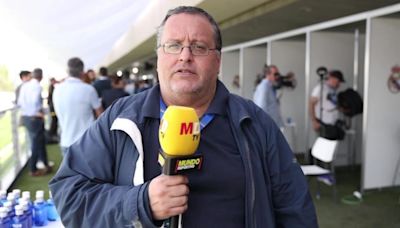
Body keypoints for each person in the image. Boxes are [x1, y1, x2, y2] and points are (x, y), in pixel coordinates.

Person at [49, 6, 317, 228]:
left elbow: (296, 211)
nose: (185, 56)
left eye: (199, 47)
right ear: (159, 58)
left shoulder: (256, 124)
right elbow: (69, 194)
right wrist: (140, 203)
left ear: (218, 61)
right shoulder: (121, 119)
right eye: (174, 46)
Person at [52, 57, 103, 156]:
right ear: (82, 72)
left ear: (68, 71)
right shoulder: (88, 89)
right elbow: (101, 115)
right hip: (87, 142)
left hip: (66, 141)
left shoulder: (57, 90)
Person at [17, 68, 52, 176]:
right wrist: (37, 113)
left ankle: (45, 165)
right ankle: (33, 169)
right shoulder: (37, 86)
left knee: (39, 142)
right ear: (41, 76)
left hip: (27, 117)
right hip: (34, 118)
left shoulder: (25, 85)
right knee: (36, 144)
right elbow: (33, 102)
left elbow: (20, 102)